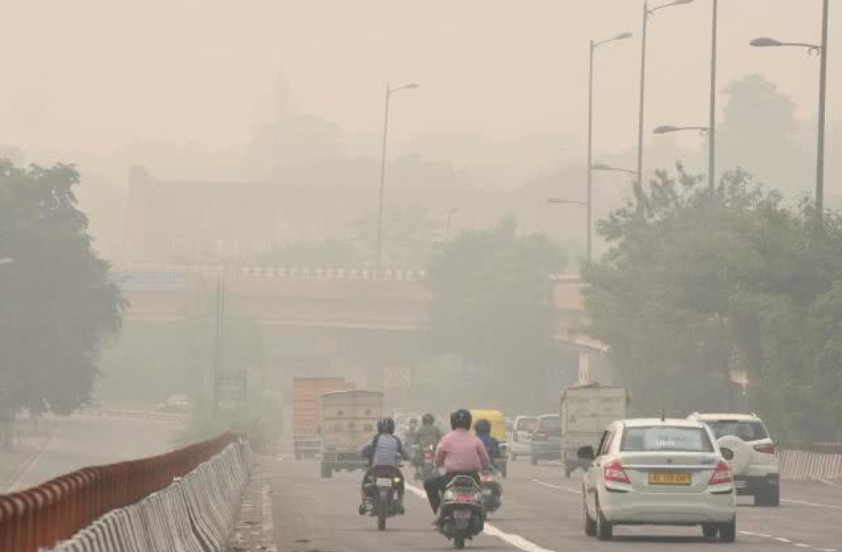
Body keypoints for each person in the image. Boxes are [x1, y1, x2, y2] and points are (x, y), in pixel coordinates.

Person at [424, 409, 491, 515]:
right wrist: (485, 467)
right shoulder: (476, 439)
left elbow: (438, 458)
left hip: (451, 477)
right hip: (472, 477)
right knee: (481, 494)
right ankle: (480, 514)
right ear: (469, 422)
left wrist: (438, 464)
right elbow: (486, 461)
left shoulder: (446, 439)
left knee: (428, 484)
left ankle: (438, 512)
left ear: (453, 422)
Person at [359, 418, 408, 512]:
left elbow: (363, 451)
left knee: (365, 481)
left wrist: (362, 455)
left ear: (379, 428)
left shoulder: (375, 438)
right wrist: (407, 457)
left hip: (376, 468)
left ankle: (364, 502)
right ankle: (400, 502)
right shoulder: (396, 439)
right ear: (393, 428)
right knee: (400, 481)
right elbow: (404, 453)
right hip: (391, 469)